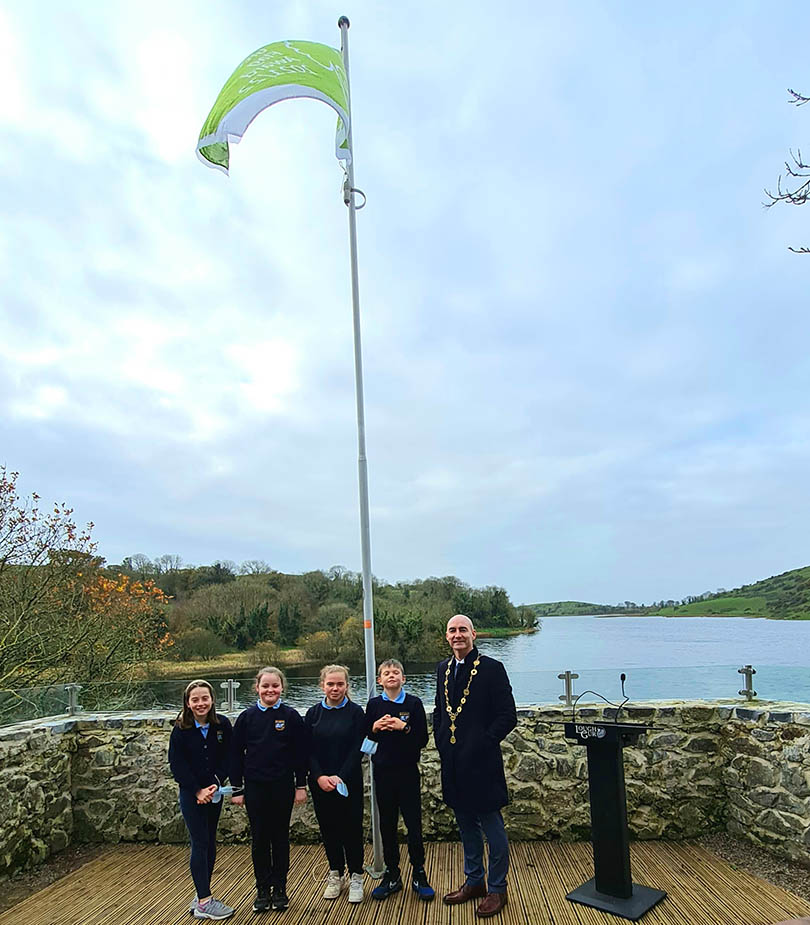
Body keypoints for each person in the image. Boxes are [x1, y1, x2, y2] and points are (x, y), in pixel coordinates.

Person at [434, 614, 517, 918]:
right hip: (453, 763)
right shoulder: (443, 668)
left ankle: (497, 888)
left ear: (474, 634)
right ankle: (474, 882)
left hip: (482, 763)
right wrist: (442, 740)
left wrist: (483, 742)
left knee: (492, 828)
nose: (458, 635)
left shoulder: (493, 669)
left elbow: (508, 716)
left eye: (463, 630)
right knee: (466, 827)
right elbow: (440, 712)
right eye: (452, 631)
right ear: (447, 636)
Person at [231, 666, 308, 913]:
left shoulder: (291, 716)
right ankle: (262, 889)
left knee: (280, 838)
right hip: (255, 788)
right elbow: (235, 756)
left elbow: (300, 755)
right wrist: (237, 789)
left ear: (282, 687)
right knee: (260, 840)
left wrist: (301, 785)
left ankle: (281, 888)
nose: (270, 690)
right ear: (257, 688)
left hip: (282, 787)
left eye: (275, 685)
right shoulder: (246, 717)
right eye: (265, 686)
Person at [365, 658, 434, 902]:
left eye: (396, 672)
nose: (391, 675)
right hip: (383, 773)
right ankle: (392, 874)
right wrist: (374, 727)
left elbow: (422, 740)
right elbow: (366, 740)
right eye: (386, 672)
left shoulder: (413, 704)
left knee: (413, 824)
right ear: (380, 679)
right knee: (387, 825)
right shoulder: (373, 705)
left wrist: (402, 727)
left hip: (407, 772)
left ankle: (419, 873)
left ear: (403, 678)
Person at [168, 679, 235, 921]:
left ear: (212, 699)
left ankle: (201, 894)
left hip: (214, 793)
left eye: (204, 698)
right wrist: (197, 791)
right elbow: (178, 766)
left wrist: (215, 784)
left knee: (210, 841)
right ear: (187, 703)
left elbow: (229, 756)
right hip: (192, 795)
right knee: (199, 842)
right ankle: (205, 901)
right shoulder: (181, 730)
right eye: (195, 699)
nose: (200, 703)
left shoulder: (222, 725)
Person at [304, 664, 367, 903]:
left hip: (348, 781)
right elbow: (307, 750)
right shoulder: (313, 714)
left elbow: (357, 748)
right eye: (330, 684)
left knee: (352, 829)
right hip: (320, 782)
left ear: (347, 686)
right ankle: (335, 874)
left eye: (340, 684)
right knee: (329, 829)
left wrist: (341, 775)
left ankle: (356, 876)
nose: (335, 688)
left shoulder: (355, 712)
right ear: (322, 685)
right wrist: (319, 776)